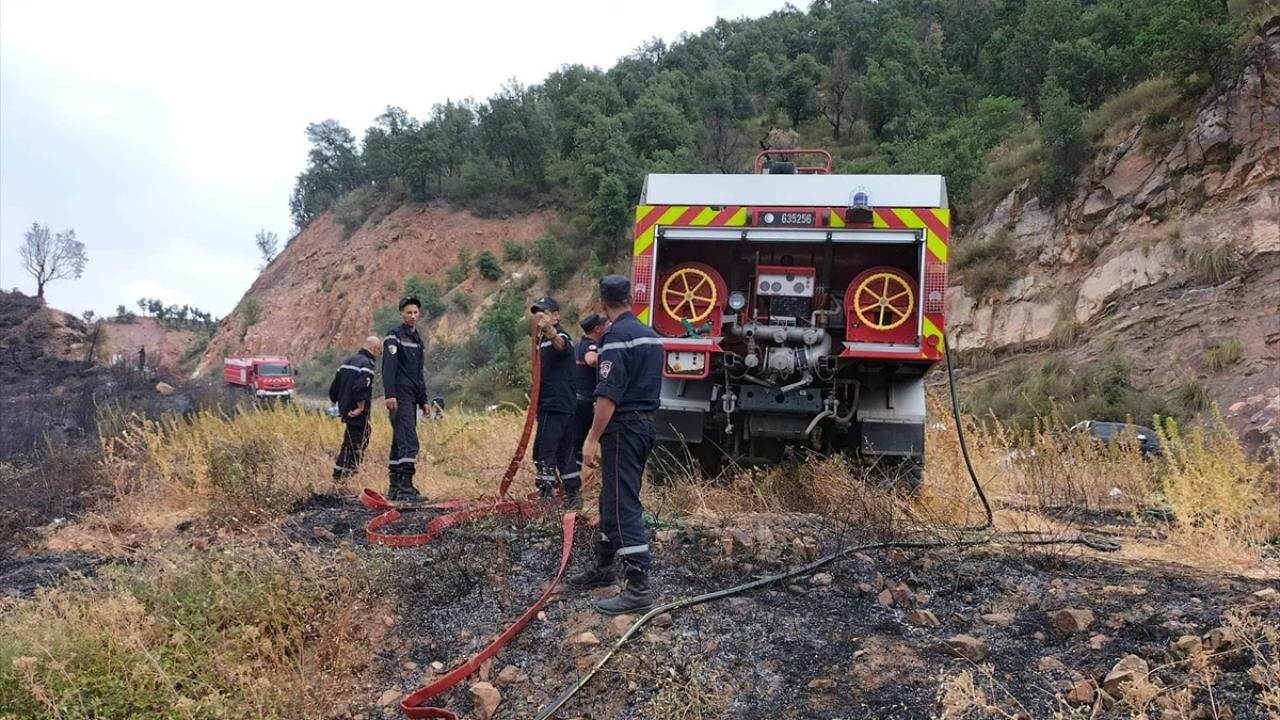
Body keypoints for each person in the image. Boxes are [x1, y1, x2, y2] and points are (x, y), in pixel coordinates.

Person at [570, 275, 664, 615]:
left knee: (623, 502)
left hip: (622, 427)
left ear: (602, 303)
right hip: (645, 425)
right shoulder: (650, 335)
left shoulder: (615, 337)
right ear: (631, 297)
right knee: (612, 496)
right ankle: (605, 564)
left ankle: (638, 586)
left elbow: (609, 393)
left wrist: (591, 439)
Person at [529, 296, 579, 508]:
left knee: (544, 449)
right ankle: (572, 493)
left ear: (556, 315)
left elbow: (562, 345)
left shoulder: (559, 335)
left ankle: (547, 496)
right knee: (565, 450)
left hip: (556, 403)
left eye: (545, 312)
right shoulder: (542, 340)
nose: (540, 317)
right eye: (537, 313)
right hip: (557, 403)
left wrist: (550, 330)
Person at [383, 296, 430, 503]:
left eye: (416, 312)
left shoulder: (417, 339)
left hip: (412, 396)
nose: (413, 316)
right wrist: (390, 394)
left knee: (399, 442)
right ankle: (405, 489)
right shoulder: (394, 336)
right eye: (409, 312)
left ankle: (394, 488)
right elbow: (388, 367)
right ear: (401, 313)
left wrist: (424, 400)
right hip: (399, 396)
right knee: (410, 442)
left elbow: (419, 374)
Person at [329, 336, 381, 479]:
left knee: (356, 437)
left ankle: (345, 473)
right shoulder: (366, 364)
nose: (379, 354)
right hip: (355, 410)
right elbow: (360, 388)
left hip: (345, 406)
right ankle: (344, 475)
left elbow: (335, 383)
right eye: (379, 350)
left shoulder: (348, 361)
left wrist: (333, 400)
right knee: (354, 442)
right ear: (374, 348)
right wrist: (360, 407)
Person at [572, 313, 607, 477]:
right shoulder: (591, 346)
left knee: (575, 444)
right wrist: (609, 361)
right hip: (587, 403)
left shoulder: (577, 344)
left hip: (576, 400)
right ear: (598, 329)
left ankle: (570, 481)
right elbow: (591, 360)